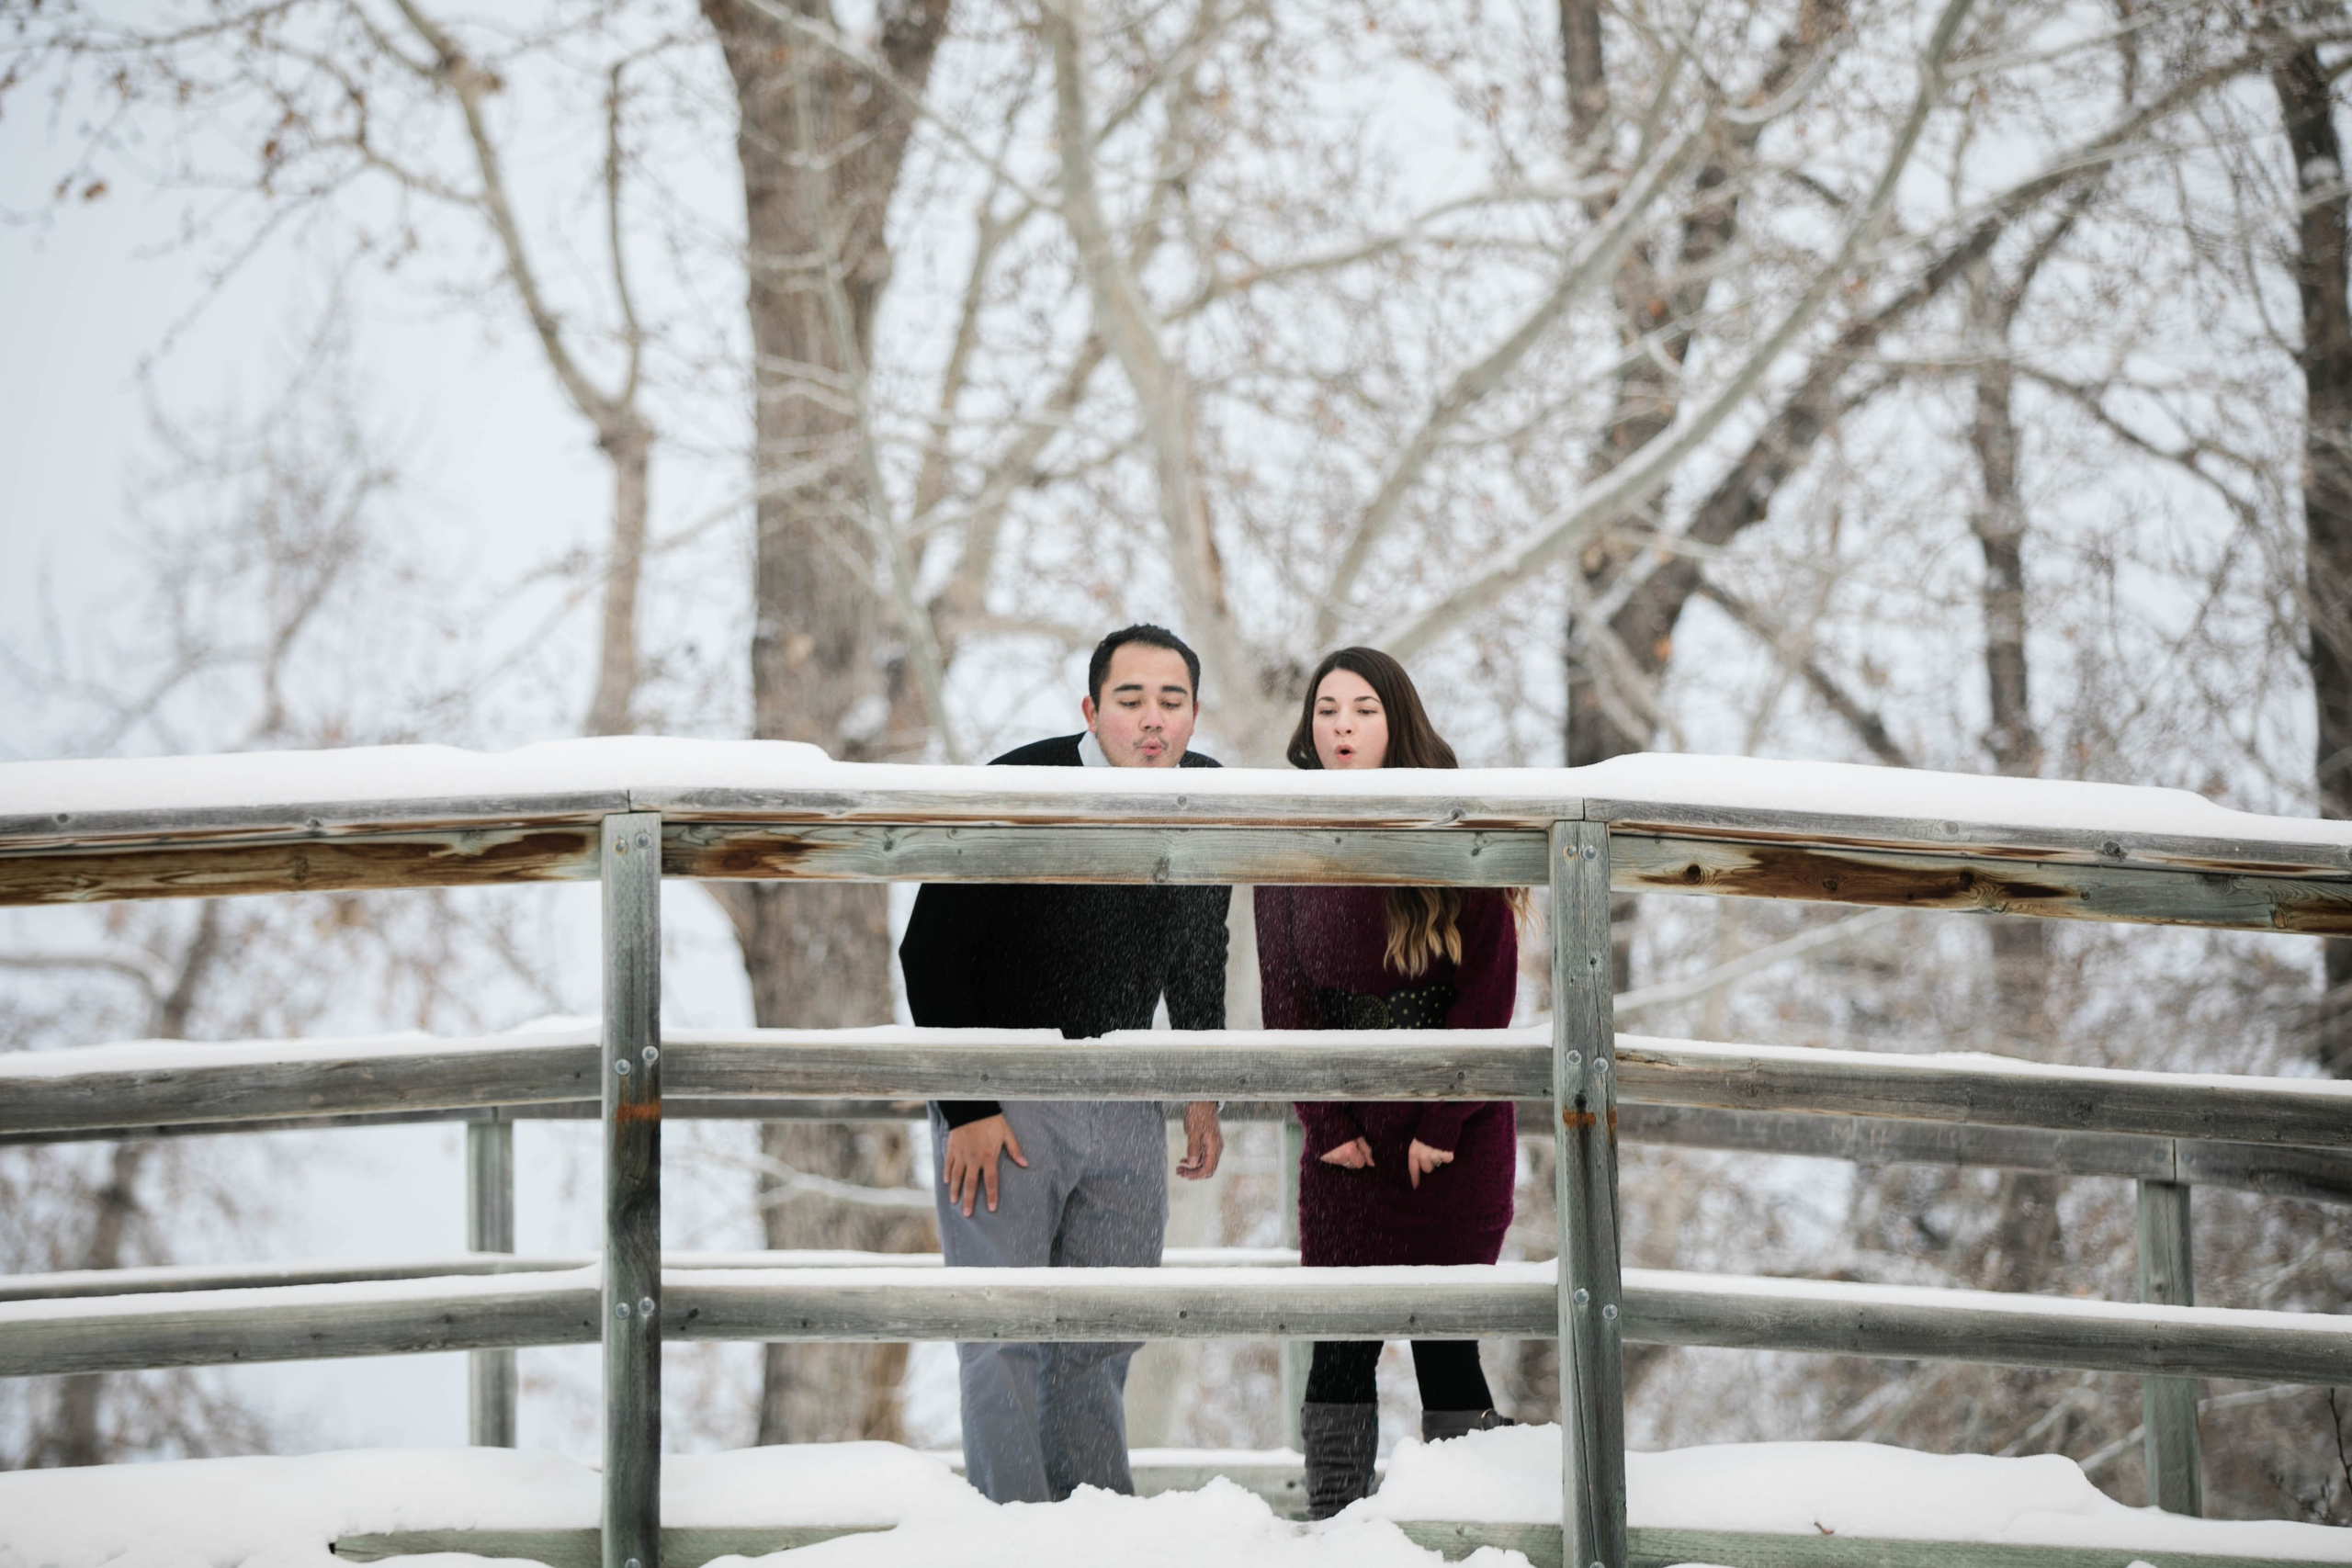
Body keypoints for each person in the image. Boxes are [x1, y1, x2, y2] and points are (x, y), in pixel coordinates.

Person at [898, 624, 1228, 1505]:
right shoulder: (1020, 783)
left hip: (1126, 1093)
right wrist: (965, 1106)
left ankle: (1100, 1531)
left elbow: (1202, 949)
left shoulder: (1208, 796)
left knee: (1105, 1331)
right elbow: (929, 952)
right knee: (1002, 1338)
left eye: (1171, 701)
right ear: (1091, 709)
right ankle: (1015, 1540)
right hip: (1008, 1090)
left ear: (1194, 713)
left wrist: (1202, 1085)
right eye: (1130, 700)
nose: (1151, 721)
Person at [1255, 647, 1524, 1519]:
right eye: (1326, 708)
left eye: (1362, 708)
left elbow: (1488, 991)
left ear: (1396, 721)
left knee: (1447, 1341)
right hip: (1345, 1134)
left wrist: (1441, 1121)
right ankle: (1334, 1518)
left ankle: (1469, 1519)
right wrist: (1323, 1117)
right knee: (1340, 1342)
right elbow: (1285, 998)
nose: (1340, 725)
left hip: (1452, 1131)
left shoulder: (1456, 830)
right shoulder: (1286, 839)